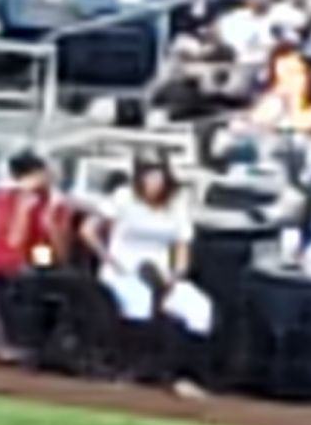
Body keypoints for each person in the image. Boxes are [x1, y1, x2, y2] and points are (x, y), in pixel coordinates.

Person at [87, 156, 216, 397]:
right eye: (149, 176)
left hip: (161, 274)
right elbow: (88, 230)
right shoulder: (124, 198)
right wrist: (109, 260)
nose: (154, 183)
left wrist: (177, 275)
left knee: (199, 308)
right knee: (139, 302)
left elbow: (182, 246)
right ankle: (132, 368)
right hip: (123, 271)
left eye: (159, 177)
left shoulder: (177, 204)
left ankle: (184, 374)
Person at [0, 149, 76, 361]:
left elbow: (60, 254)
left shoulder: (56, 203)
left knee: (48, 283)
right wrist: (24, 210)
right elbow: (12, 241)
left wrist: (50, 226)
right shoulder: (2, 199)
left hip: (36, 259)